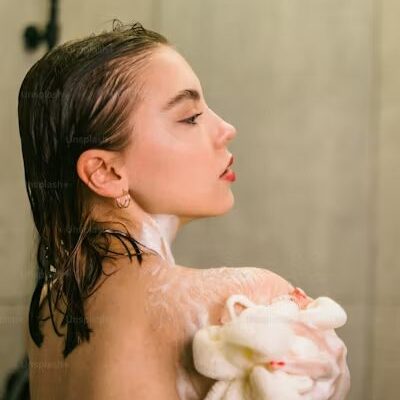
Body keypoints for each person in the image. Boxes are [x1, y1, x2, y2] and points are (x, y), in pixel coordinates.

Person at [17, 20, 350, 399]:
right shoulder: (239, 302)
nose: (226, 128)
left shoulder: (50, 311)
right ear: (106, 172)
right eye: (190, 117)